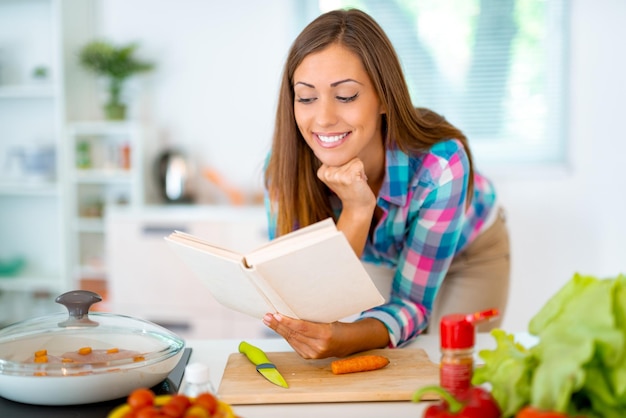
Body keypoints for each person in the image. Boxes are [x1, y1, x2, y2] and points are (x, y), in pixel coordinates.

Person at [262, 8, 510, 359]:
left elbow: (412, 304)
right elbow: (305, 299)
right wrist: (357, 209)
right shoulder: (282, 169)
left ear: (383, 97)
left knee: (457, 365)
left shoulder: (440, 165)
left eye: (346, 95)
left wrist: (347, 337)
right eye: (306, 97)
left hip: (469, 253)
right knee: (392, 356)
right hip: (383, 257)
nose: (324, 118)